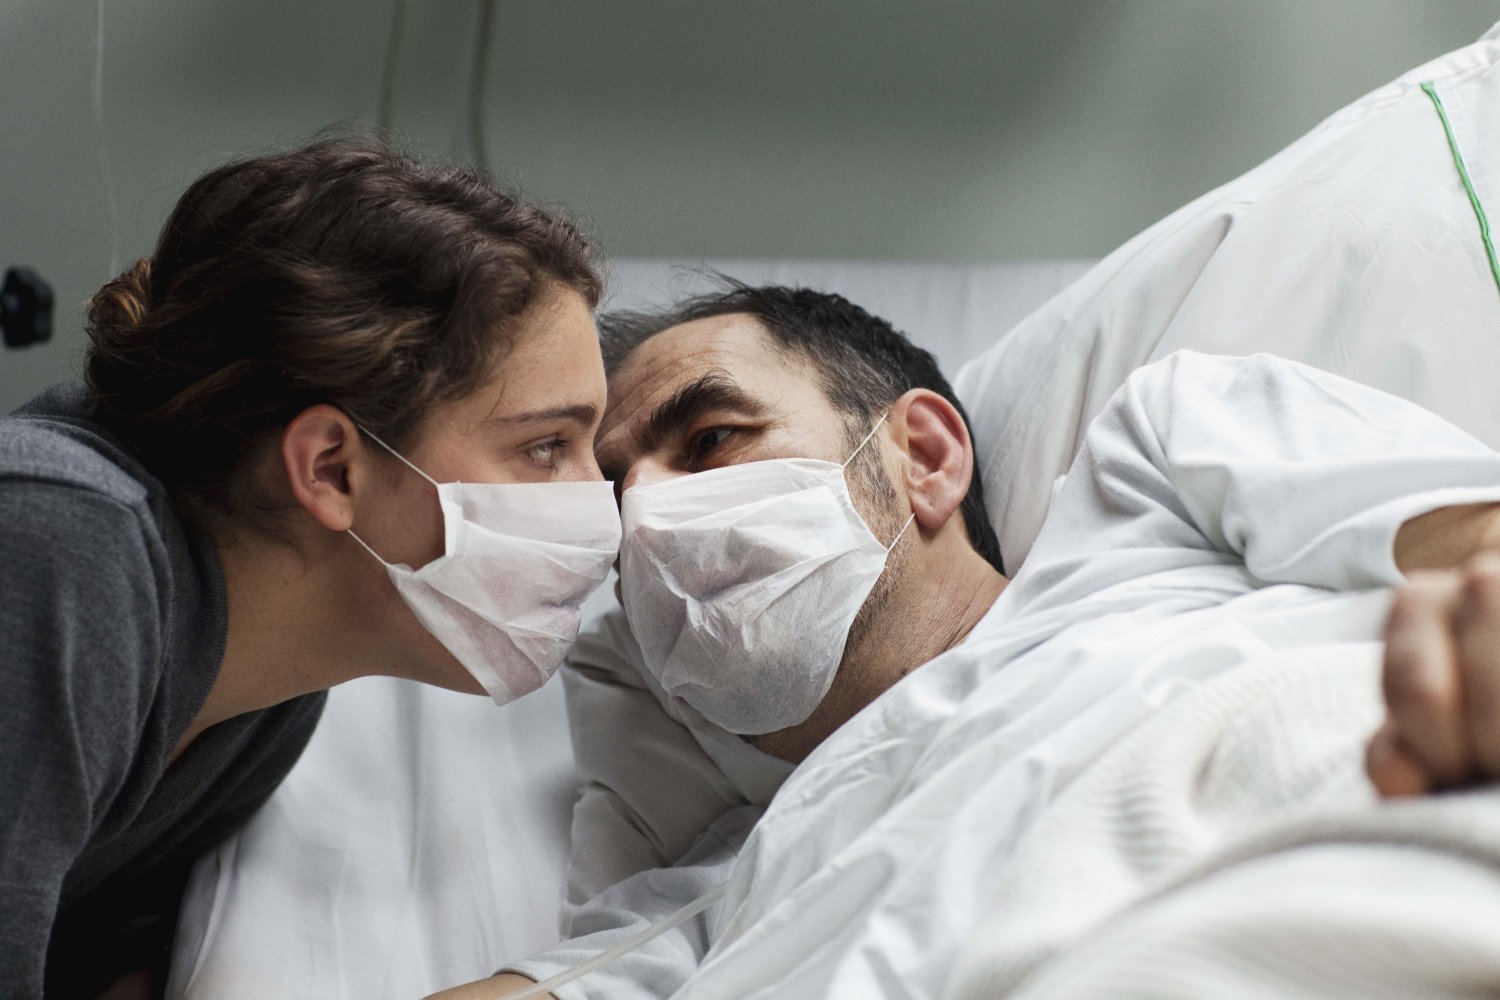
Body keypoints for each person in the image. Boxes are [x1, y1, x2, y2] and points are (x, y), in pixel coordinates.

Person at [437, 284, 1500, 1000]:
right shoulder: (708, 905)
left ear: (926, 454)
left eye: (711, 439)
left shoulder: (1153, 481)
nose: (650, 519)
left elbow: (1476, 550)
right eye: (616, 500)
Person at [0, 136, 622, 999]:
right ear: (330, 468)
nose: (604, 511)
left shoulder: (271, 694)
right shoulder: (59, 544)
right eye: (546, 446)